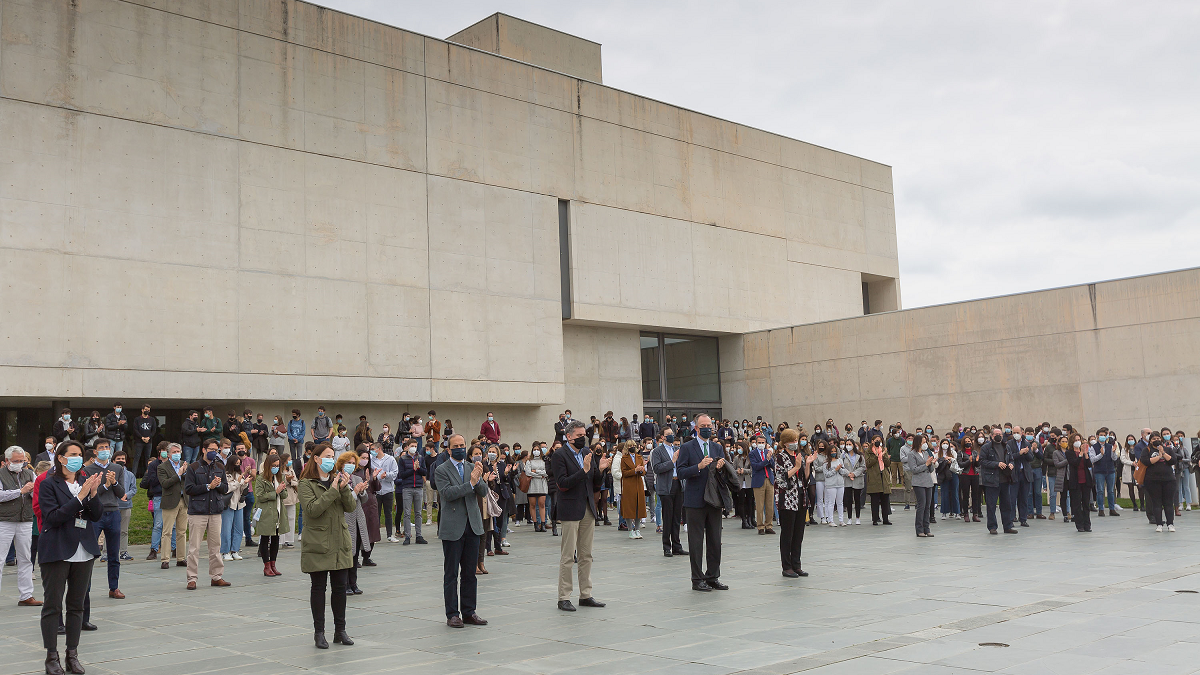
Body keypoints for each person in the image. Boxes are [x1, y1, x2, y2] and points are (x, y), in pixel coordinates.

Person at [38, 441, 103, 675]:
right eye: (72, 454)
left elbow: (95, 515)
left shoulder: (84, 483)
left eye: (79, 454)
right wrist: (80, 497)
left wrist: (93, 494)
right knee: (53, 606)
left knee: (76, 606)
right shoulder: (49, 484)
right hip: (56, 550)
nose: (77, 458)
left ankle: (72, 655)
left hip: (84, 550)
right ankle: (51, 657)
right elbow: (53, 517)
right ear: (61, 459)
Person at [299, 443, 357, 648]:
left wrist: (344, 488)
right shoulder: (305, 484)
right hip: (318, 543)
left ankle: (340, 630)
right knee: (319, 588)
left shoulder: (337, 480)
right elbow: (313, 510)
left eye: (333, 456)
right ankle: (319, 632)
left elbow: (351, 507)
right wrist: (333, 490)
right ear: (316, 458)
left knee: (340, 588)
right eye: (328, 456)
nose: (332, 459)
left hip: (339, 541)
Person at [675, 414, 737, 592]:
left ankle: (713, 576)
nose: (707, 428)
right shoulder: (687, 447)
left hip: (714, 499)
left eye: (709, 425)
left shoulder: (717, 447)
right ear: (696, 428)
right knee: (696, 542)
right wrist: (699, 466)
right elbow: (680, 472)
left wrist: (721, 467)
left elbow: (724, 472)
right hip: (695, 500)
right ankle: (697, 579)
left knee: (715, 540)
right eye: (703, 425)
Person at [551, 421, 608, 611]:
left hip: (587, 508)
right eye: (579, 435)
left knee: (586, 555)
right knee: (568, 556)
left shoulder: (586, 453)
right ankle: (564, 597)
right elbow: (562, 484)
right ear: (568, 436)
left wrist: (600, 469)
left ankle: (586, 594)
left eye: (585, 434)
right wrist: (583, 471)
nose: (583, 438)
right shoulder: (559, 455)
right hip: (569, 509)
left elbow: (593, 482)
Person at [434, 434, 490, 627]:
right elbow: (448, 494)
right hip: (453, 528)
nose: (459, 448)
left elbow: (483, 492)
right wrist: (471, 484)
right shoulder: (441, 469)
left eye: (462, 445)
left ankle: (469, 612)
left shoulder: (471, 467)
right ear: (449, 449)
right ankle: (452, 614)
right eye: (456, 446)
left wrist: (480, 478)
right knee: (451, 573)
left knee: (469, 573)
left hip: (472, 526)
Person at [183, 440, 232, 590]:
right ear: (204, 450)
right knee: (194, 547)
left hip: (215, 511)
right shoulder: (193, 467)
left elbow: (225, 488)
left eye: (216, 450)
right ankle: (192, 578)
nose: (214, 452)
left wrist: (218, 485)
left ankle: (216, 576)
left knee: (215, 546)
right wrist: (207, 486)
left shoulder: (220, 467)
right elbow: (189, 488)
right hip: (198, 511)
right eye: (211, 449)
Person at [81, 439, 126, 598]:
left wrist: (113, 483)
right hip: (94, 514)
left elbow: (122, 494)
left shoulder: (117, 468)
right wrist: (105, 485)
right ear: (95, 451)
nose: (105, 450)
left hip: (113, 512)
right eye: (101, 448)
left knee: (114, 553)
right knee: (90, 553)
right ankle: (85, 589)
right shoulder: (87, 469)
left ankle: (114, 587)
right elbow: (86, 494)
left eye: (107, 447)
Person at [1, 446, 41, 606]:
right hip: (5, 520)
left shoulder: (29, 473)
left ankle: (26, 595)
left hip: (25, 520)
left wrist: (31, 491)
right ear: (6, 461)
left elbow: (37, 493)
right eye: (16, 461)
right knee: (0, 558)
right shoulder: (1, 474)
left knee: (25, 558)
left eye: (22, 461)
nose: (20, 464)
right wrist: (20, 491)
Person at [774, 429, 811, 577]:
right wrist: (796, 467)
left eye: (796, 440)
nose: (795, 443)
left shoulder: (798, 456)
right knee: (787, 534)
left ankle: (797, 565)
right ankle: (786, 566)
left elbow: (805, 479)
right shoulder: (780, 457)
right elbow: (781, 479)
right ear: (785, 443)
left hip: (801, 498)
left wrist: (807, 464)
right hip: (787, 500)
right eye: (792, 440)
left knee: (798, 534)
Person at [345, 447, 381, 593]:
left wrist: (362, 489)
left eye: (353, 463)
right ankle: (346, 584)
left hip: (358, 518)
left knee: (354, 554)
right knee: (347, 553)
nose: (351, 465)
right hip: (346, 519)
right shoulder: (339, 479)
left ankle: (353, 583)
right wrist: (354, 491)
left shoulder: (357, 478)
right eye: (348, 462)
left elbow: (365, 498)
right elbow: (344, 500)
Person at [253, 454, 289, 577]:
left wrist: (282, 489)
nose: (276, 468)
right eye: (273, 466)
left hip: (278, 511)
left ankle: (273, 565)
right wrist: (275, 492)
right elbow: (260, 496)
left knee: (276, 538)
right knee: (265, 538)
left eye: (278, 466)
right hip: (267, 513)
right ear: (268, 466)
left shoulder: (279, 477)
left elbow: (284, 496)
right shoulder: (261, 479)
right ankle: (266, 566)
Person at [651, 431, 686, 556]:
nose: (671, 435)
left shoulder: (678, 449)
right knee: (668, 517)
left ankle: (677, 545)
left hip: (678, 484)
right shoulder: (657, 451)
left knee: (677, 517)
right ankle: (667, 546)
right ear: (662, 437)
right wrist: (672, 462)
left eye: (672, 433)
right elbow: (657, 468)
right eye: (668, 434)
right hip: (666, 486)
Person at [157, 443, 188, 569]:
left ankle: (181, 558)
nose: (177, 454)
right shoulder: (162, 467)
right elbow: (165, 483)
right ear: (169, 454)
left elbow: (189, 481)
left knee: (182, 531)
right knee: (167, 532)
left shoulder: (184, 465)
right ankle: (165, 559)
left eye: (178, 451)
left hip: (183, 500)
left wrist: (185, 473)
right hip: (170, 501)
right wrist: (179, 474)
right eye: (174, 452)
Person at [980, 429, 1016, 535]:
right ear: (991, 436)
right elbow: (982, 461)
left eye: (1000, 434)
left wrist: (1011, 464)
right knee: (991, 505)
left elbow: (1011, 459)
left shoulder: (1006, 446)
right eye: (996, 434)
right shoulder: (986, 447)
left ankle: (1008, 526)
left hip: (1005, 480)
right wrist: (996, 464)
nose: (998, 436)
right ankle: (992, 527)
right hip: (992, 481)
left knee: (1006, 505)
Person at [396, 439, 428, 545]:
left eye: (415, 445)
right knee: (407, 513)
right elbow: (402, 474)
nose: (414, 447)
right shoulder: (403, 459)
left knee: (418, 513)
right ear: (408, 446)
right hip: (407, 488)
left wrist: (418, 469)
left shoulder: (420, 458)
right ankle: (407, 536)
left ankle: (419, 535)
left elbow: (425, 472)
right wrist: (413, 470)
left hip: (418, 487)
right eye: (412, 445)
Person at [903, 434, 935, 538]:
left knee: (928, 505)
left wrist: (931, 464)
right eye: (923, 442)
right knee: (922, 505)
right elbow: (914, 469)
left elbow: (931, 469)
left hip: (928, 481)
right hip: (918, 482)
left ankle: (927, 528)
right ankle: (919, 529)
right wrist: (925, 465)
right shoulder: (912, 454)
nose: (925, 444)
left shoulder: (926, 453)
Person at [1143, 433, 1176, 533]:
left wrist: (1163, 453)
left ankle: (1170, 524)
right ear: (1150, 440)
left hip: (1168, 480)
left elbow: (1173, 460)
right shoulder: (1147, 450)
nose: (1156, 440)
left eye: (1158, 438)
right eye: (1154, 439)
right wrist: (1159, 456)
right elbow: (1146, 461)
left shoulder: (1168, 449)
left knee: (1169, 503)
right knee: (1156, 503)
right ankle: (1159, 524)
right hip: (1153, 480)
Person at [614, 441, 647, 540]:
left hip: (638, 484)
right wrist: (634, 470)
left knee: (639, 507)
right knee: (629, 507)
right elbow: (623, 473)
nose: (632, 447)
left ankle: (637, 529)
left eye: (634, 446)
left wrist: (641, 470)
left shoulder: (639, 457)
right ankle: (630, 530)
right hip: (628, 485)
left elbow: (644, 472)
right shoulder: (623, 458)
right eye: (630, 446)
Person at [220, 455, 247, 561]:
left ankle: (235, 550)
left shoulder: (240, 474)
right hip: (229, 504)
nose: (238, 465)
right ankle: (225, 551)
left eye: (239, 463)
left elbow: (242, 488)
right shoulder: (226, 475)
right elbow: (227, 488)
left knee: (239, 528)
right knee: (226, 529)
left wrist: (244, 483)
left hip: (239, 504)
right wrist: (238, 482)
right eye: (236, 463)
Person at [370, 442, 398, 542]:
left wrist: (386, 476)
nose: (371, 451)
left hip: (388, 490)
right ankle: (375, 535)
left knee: (388, 513)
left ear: (379, 449)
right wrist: (378, 477)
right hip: (376, 491)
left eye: (373, 449)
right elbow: (370, 475)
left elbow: (395, 473)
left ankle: (390, 535)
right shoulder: (371, 460)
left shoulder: (390, 459)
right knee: (375, 514)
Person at [748, 434, 777, 534]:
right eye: (759, 443)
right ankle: (760, 527)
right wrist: (766, 460)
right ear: (756, 443)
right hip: (758, 481)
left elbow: (773, 466)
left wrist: (770, 458)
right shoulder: (752, 453)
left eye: (762, 443)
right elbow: (756, 466)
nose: (761, 444)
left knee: (770, 505)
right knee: (760, 506)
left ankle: (768, 525)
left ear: (765, 443)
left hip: (769, 479)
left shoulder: (767, 452)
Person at [112, 450, 136, 561]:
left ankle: (124, 552)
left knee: (124, 531)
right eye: (118, 459)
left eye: (122, 459)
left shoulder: (130, 475)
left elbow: (134, 489)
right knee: (110, 530)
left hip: (126, 505)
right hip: (112, 505)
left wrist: (126, 495)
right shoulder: (110, 473)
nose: (121, 461)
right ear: (113, 461)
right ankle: (107, 553)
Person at [864, 437, 893, 525]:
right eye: (876, 440)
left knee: (885, 499)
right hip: (874, 477)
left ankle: (886, 518)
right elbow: (868, 463)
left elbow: (888, 463)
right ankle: (875, 519)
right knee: (875, 500)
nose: (878, 442)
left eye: (879, 441)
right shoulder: (868, 452)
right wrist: (876, 456)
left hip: (883, 476)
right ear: (872, 441)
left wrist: (884, 455)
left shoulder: (883, 450)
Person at [524, 445, 549, 531]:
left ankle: (543, 524)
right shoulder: (529, 462)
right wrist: (540, 474)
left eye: (538, 449)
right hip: (532, 485)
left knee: (542, 504)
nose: (536, 451)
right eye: (534, 449)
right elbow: (528, 473)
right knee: (533, 505)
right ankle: (535, 524)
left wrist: (535, 471)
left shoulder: (544, 461)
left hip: (542, 485)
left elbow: (546, 473)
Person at [131, 405, 158, 477]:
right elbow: (135, 429)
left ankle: (148, 474)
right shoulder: (137, 419)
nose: (147, 411)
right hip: (139, 441)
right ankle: (133, 475)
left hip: (149, 442)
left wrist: (149, 437)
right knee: (137, 458)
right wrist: (142, 437)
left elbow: (154, 430)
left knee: (148, 458)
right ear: (142, 410)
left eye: (148, 410)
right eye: (146, 409)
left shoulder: (152, 419)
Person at [843, 440, 865, 525]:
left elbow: (863, 467)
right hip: (847, 479)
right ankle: (849, 517)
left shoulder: (859, 456)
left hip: (857, 478)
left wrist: (854, 474)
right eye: (847, 444)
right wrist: (848, 473)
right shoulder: (843, 455)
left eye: (850, 444)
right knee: (848, 499)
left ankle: (857, 517)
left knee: (857, 499)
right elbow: (841, 466)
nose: (848, 446)